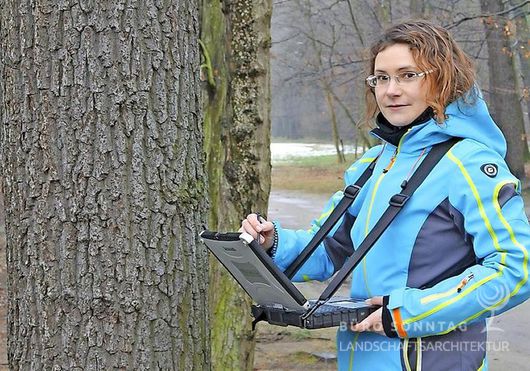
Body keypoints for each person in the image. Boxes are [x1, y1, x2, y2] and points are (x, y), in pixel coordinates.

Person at [241, 20, 530, 370]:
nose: (391, 90)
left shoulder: (471, 163)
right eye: (381, 77)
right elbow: (333, 249)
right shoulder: (374, 163)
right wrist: (274, 243)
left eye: (408, 75)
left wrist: (406, 313)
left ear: (443, 78)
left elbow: (516, 269)